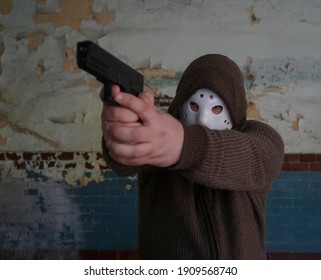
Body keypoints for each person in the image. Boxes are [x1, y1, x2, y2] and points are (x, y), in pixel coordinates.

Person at [100, 54, 284, 259]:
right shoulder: (158, 134)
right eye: (194, 106)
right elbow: (123, 163)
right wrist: (125, 132)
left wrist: (182, 144)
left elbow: (258, 159)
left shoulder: (262, 139)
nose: (202, 118)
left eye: (216, 109)